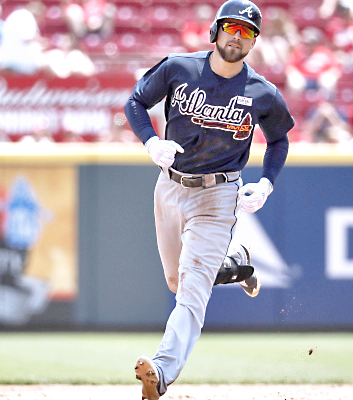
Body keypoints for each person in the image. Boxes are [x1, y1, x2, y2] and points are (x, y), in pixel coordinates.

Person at [123, 1, 294, 399]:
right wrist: (150, 141)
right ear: (215, 31)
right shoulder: (179, 68)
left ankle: (162, 372)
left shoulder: (261, 92)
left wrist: (267, 182)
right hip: (170, 184)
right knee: (175, 279)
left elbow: (280, 138)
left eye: (247, 32)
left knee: (192, 290)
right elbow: (136, 101)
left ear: (253, 42)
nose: (237, 37)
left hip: (218, 194)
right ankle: (238, 263)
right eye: (231, 28)